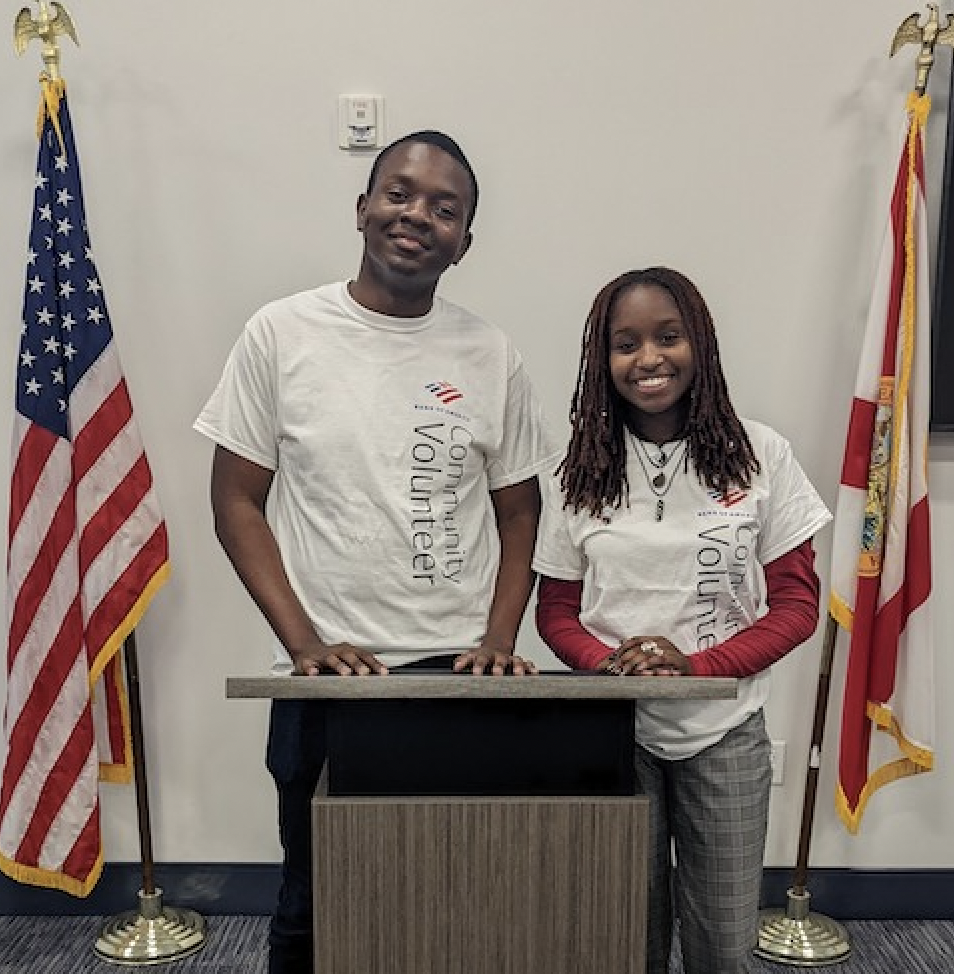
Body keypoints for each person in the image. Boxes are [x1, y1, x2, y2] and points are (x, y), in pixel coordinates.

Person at [194, 130, 555, 974]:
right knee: (313, 906)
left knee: (453, 900)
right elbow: (236, 502)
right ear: (361, 209)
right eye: (399, 193)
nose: (417, 215)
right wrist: (305, 644)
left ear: (464, 243)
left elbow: (521, 513)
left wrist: (499, 639)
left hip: (456, 675)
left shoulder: (490, 354)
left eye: (444, 208)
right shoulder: (282, 333)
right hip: (330, 679)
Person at [532, 267, 831, 974]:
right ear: (602, 360)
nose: (649, 359)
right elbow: (557, 611)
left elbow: (796, 605)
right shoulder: (576, 470)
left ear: (700, 342)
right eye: (625, 344)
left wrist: (696, 667)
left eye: (668, 337)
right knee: (623, 934)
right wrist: (613, 666)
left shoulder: (761, 454)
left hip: (725, 730)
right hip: (615, 732)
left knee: (721, 941)